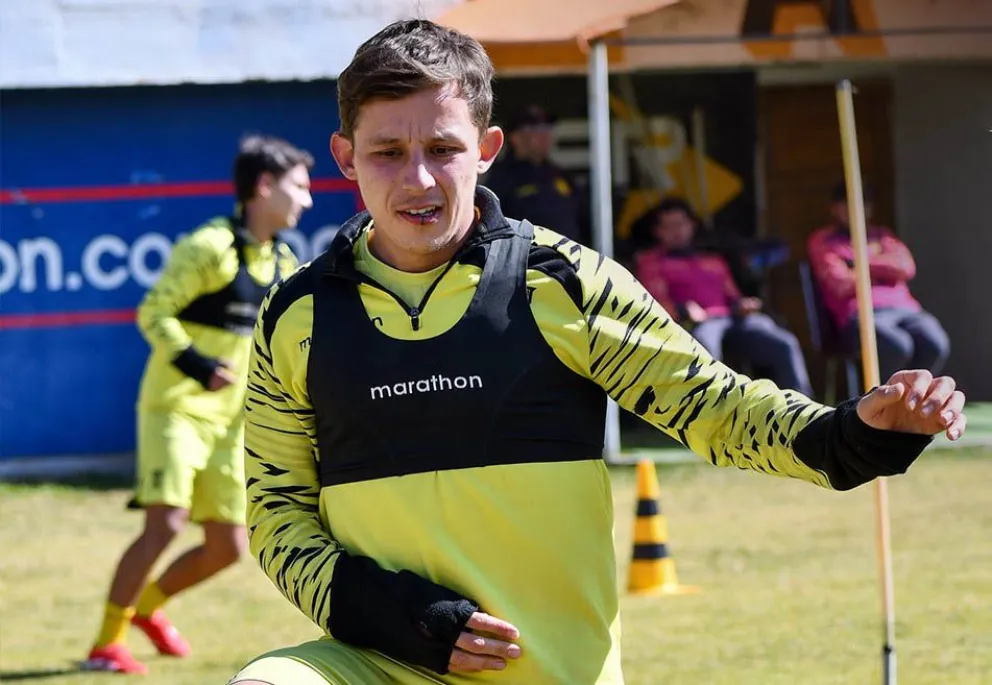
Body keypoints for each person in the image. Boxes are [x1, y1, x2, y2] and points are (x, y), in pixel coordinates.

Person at [228, 20, 967, 685]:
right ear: (346, 157)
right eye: (388, 152)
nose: (418, 178)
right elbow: (276, 511)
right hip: (375, 661)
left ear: (487, 150)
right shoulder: (299, 313)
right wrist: (396, 615)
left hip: (550, 673)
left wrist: (853, 433)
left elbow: (714, 406)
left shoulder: (566, 284)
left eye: (443, 149)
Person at [84, 135, 312, 674]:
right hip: (177, 408)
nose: (307, 199)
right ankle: (104, 644)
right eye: (298, 186)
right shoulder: (209, 247)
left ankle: (148, 611)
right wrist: (198, 365)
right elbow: (153, 312)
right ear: (263, 187)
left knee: (228, 547)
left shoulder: (284, 259)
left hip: (234, 424)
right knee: (166, 523)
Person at [634, 198, 814, 397]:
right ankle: (714, 410)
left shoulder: (712, 260)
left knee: (783, 342)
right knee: (704, 343)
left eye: (681, 224)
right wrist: (683, 310)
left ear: (692, 225)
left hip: (733, 319)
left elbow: (732, 295)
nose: (677, 231)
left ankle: (803, 408)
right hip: (696, 324)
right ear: (658, 232)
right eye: (669, 226)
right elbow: (654, 302)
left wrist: (742, 304)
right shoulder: (652, 262)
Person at [808, 181, 951, 378]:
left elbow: (906, 267)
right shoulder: (824, 240)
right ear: (834, 207)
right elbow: (839, 283)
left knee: (934, 342)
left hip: (906, 310)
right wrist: (882, 265)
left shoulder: (882, 236)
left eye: (862, 203)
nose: (855, 209)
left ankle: (913, 401)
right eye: (846, 203)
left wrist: (860, 264)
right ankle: (884, 403)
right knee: (897, 345)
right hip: (861, 314)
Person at [482, 104, 588, 244]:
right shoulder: (500, 177)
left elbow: (584, 219)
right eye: (535, 129)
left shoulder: (560, 175)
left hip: (569, 258)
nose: (545, 135)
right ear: (515, 137)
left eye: (547, 128)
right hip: (526, 258)